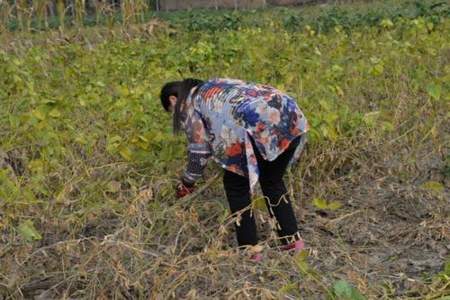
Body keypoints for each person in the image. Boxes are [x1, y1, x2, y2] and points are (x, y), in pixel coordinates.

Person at [160, 78, 308, 261]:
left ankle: (250, 251)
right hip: (289, 112)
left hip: (257, 123)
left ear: (173, 100)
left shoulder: (189, 102)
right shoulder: (218, 84)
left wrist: (187, 183)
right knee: (272, 181)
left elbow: (199, 151)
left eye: (172, 112)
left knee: (236, 185)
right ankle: (293, 244)